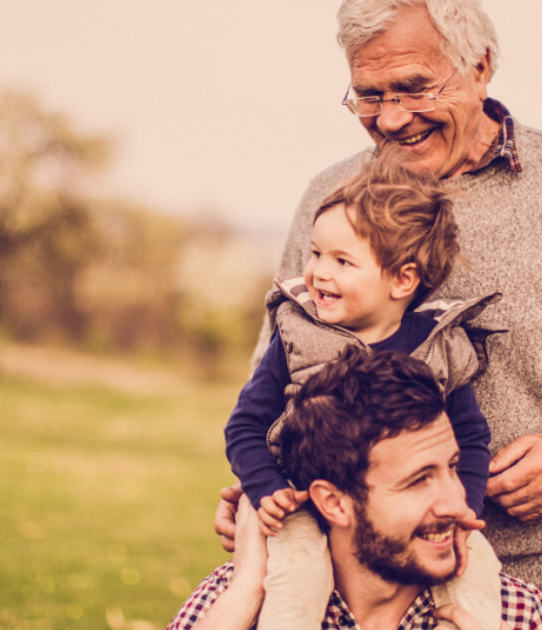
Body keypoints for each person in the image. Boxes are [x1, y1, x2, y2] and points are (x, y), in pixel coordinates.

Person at [215, 1, 542, 628]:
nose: (391, 118)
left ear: (480, 67)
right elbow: (282, 371)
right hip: (356, 592)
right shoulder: (330, 201)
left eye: (414, 88)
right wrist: (264, 484)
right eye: (370, 95)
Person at [223, 150, 505, 630]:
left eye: (342, 261)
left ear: (402, 279)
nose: (318, 273)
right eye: (315, 254)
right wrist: (265, 488)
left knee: (477, 568)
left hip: (412, 524)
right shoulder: (297, 335)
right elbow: (246, 424)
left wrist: (465, 508)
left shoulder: (436, 346)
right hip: (303, 505)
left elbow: (471, 438)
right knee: (297, 577)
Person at [174, 348, 542, 630]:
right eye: (418, 480)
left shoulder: (517, 613)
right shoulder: (234, 604)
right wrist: (244, 594)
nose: (457, 503)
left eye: (453, 467)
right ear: (334, 502)